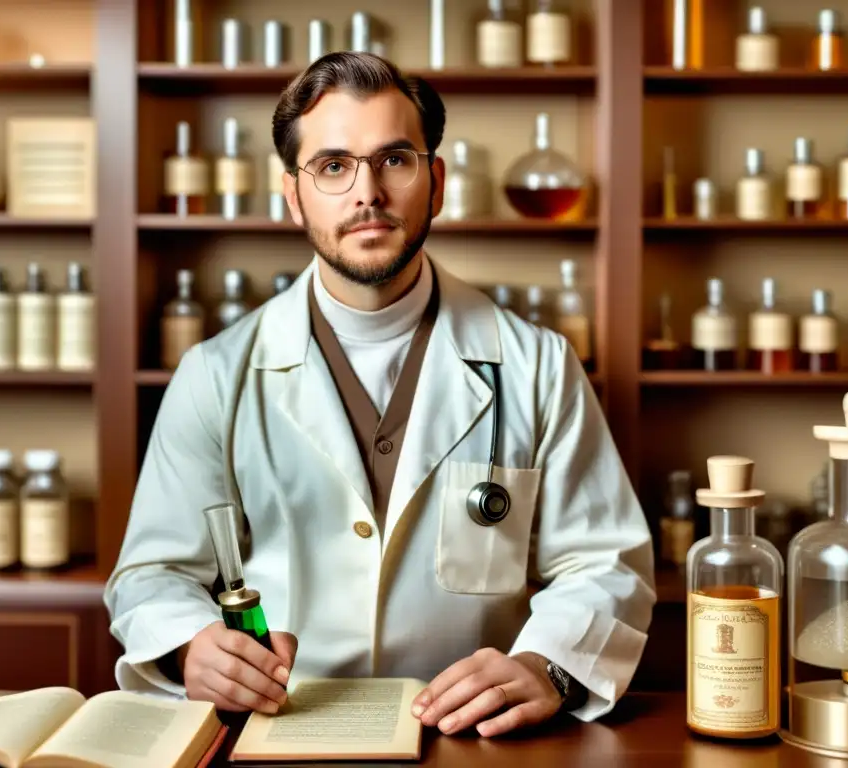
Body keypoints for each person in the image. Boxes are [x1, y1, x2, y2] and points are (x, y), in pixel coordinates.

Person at [104, 51, 656, 738]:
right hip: (281, 730)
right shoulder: (215, 374)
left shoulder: (536, 364)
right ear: (293, 195)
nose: (367, 191)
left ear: (437, 181)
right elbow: (153, 572)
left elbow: (604, 562)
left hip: (471, 738)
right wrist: (192, 645)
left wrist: (549, 664)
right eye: (333, 166)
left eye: (394, 159)